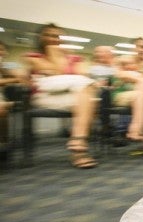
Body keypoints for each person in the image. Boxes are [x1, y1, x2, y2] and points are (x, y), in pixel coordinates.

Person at [23, 23, 99, 168]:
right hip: (44, 97)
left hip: (72, 95)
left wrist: (63, 58)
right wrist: (54, 53)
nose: (52, 38)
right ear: (40, 37)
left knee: (87, 97)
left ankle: (78, 145)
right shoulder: (32, 57)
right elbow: (54, 72)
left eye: (56, 36)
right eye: (48, 35)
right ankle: (79, 147)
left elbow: (82, 75)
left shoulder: (75, 58)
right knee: (87, 93)